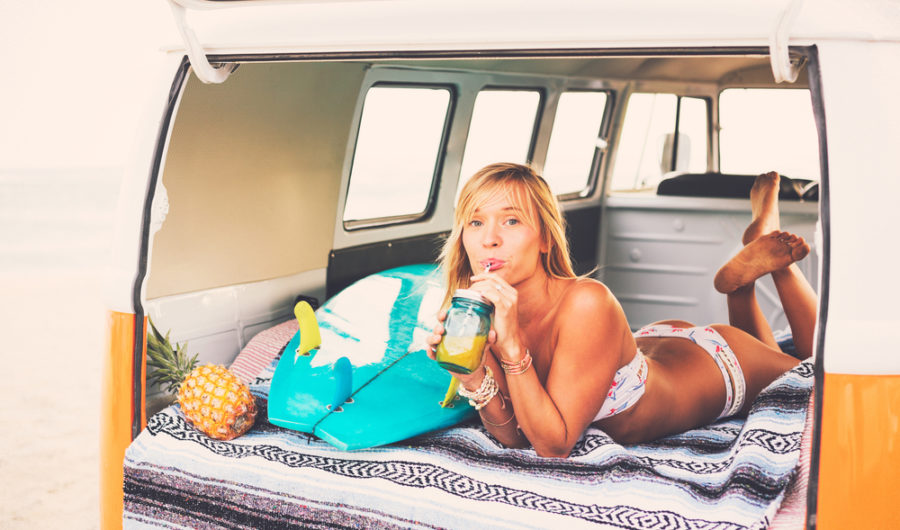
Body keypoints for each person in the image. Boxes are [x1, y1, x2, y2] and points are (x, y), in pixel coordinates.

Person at [426, 164, 816, 458]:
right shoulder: (482, 310)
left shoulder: (587, 300)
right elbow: (515, 435)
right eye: (475, 222)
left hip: (720, 362)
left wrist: (511, 350)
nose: (490, 239)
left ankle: (779, 267)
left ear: (545, 238)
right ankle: (741, 287)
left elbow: (553, 446)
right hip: (654, 343)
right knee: (784, 358)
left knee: (816, 369)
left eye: (511, 221)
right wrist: (472, 374)